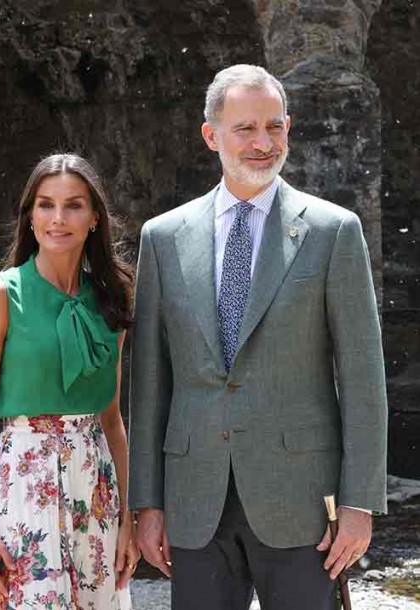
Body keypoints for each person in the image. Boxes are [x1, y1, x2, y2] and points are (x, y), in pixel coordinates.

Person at [129, 65, 388, 610]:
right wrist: (146, 503)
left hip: (301, 502)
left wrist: (361, 503)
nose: (263, 143)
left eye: (275, 127)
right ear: (211, 136)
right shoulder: (163, 237)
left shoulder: (333, 231)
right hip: (194, 500)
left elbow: (364, 377)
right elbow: (150, 383)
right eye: (246, 129)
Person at [0, 153, 139, 610]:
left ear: (94, 218)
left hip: (94, 490)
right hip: (21, 490)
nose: (59, 218)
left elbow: (112, 421)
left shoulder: (111, 300)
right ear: (30, 216)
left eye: (74, 205)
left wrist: (126, 521)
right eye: (45, 205)